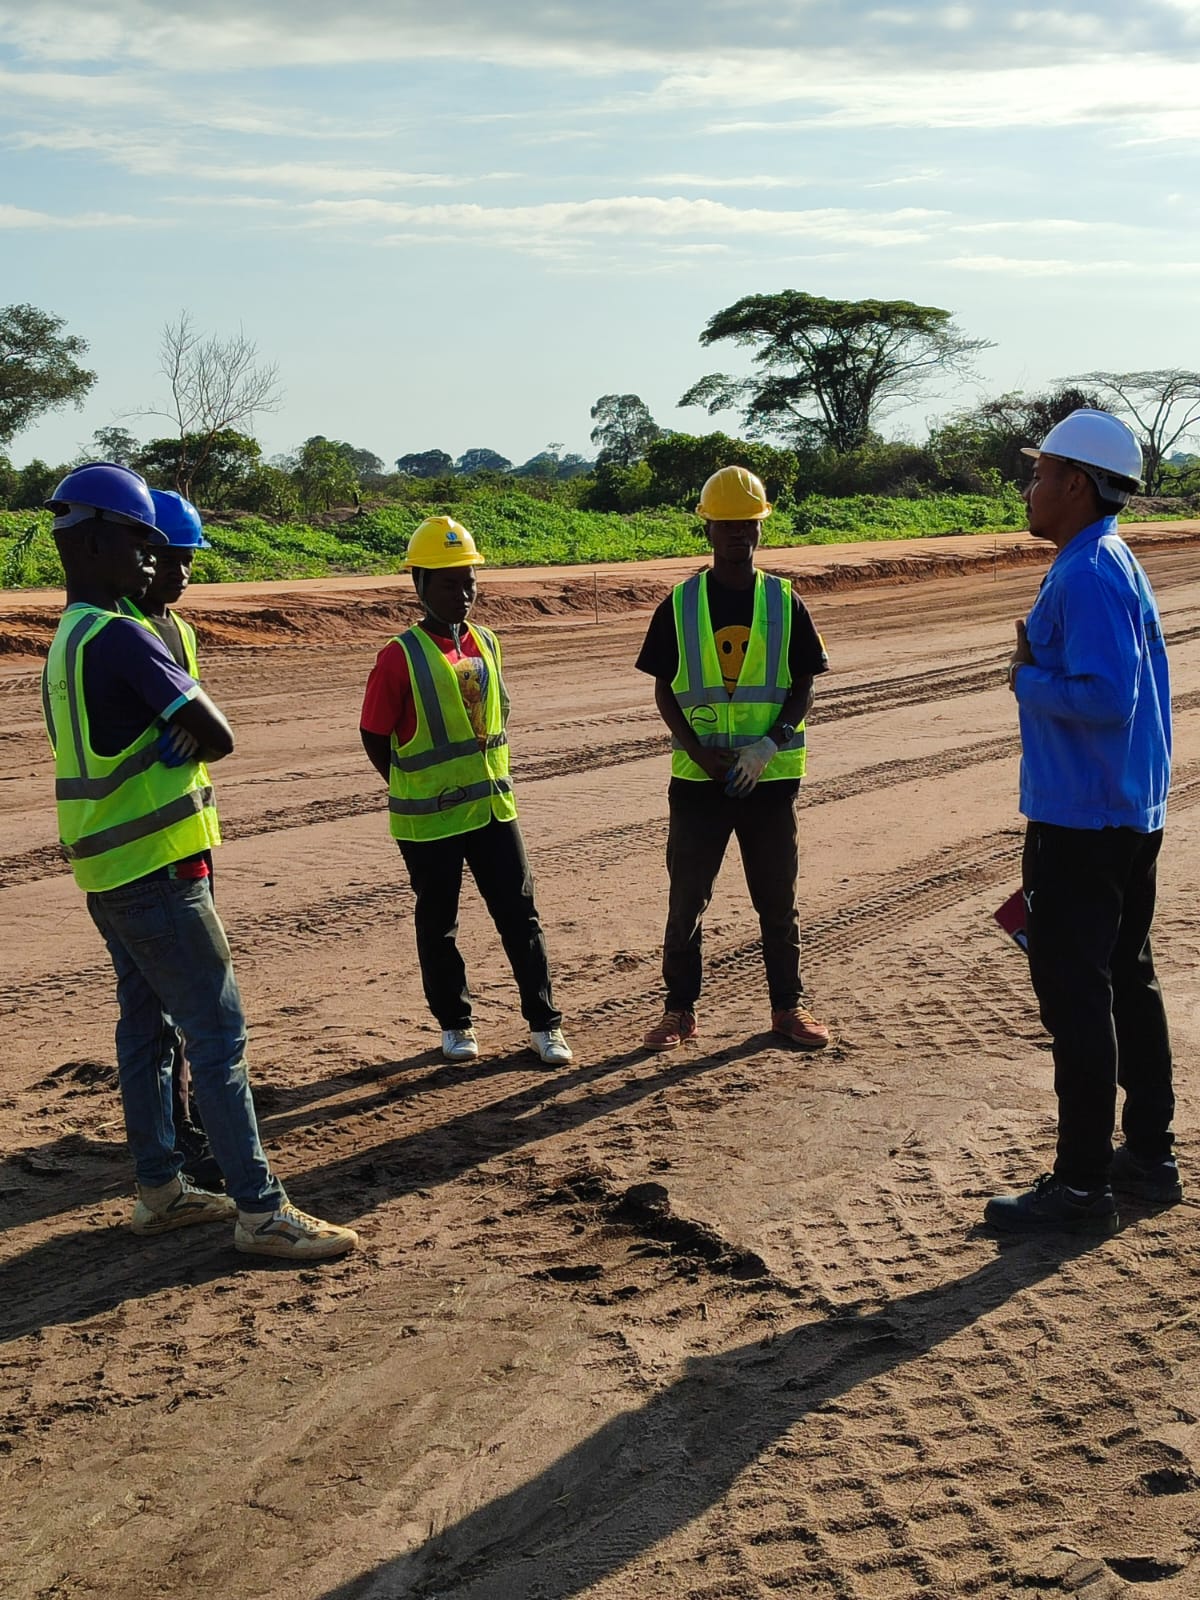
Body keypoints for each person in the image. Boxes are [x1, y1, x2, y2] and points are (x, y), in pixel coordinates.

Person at [41, 462, 358, 1260]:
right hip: (157, 872)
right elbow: (218, 733)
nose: (153, 557)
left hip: (107, 872)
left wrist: (177, 727)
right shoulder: (120, 636)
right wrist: (184, 729)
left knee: (146, 1030)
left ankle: (161, 1190)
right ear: (97, 541)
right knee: (216, 1036)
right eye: (140, 541)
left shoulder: (69, 639)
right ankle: (261, 1211)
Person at [985, 410, 1178, 1236]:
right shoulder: (1108, 558)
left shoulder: (1088, 571)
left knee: (1078, 998)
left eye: (1040, 475)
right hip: (1124, 812)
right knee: (1126, 980)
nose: (1029, 489)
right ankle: (1148, 1157)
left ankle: (1081, 1186)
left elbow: (1107, 698)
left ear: (1075, 484)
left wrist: (1025, 679)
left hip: (1083, 820)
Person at [359, 515, 572, 1067]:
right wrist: (415, 784)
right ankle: (455, 1025)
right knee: (439, 925)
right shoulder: (399, 656)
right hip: (429, 820)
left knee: (520, 917)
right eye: (450, 584)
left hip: (494, 810)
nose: (463, 594)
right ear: (420, 585)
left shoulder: (489, 643)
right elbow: (374, 734)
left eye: (469, 582)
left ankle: (545, 1024)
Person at [636, 465, 830, 1052]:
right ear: (709, 529)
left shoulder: (784, 601)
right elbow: (664, 688)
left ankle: (788, 1007)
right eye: (728, 524)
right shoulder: (681, 603)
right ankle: (678, 1011)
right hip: (699, 781)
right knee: (686, 903)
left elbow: (804, 684)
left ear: (760, 528)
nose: (739, 533)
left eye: (748, 523)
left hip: (769, 780)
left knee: (778, 902)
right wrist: (697, 751)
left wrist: (771, 743)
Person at [121, 488, 220, 1187]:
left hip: (187, 833)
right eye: (172, 556)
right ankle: (173, 1140)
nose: (182, 571)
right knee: (159, 1010)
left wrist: (195, 731)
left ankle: (180, 1130)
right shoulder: (119, 630)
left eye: (189, 559)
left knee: (180, 1007)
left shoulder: (178, 631)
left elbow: (202, 724)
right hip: (141, 848)